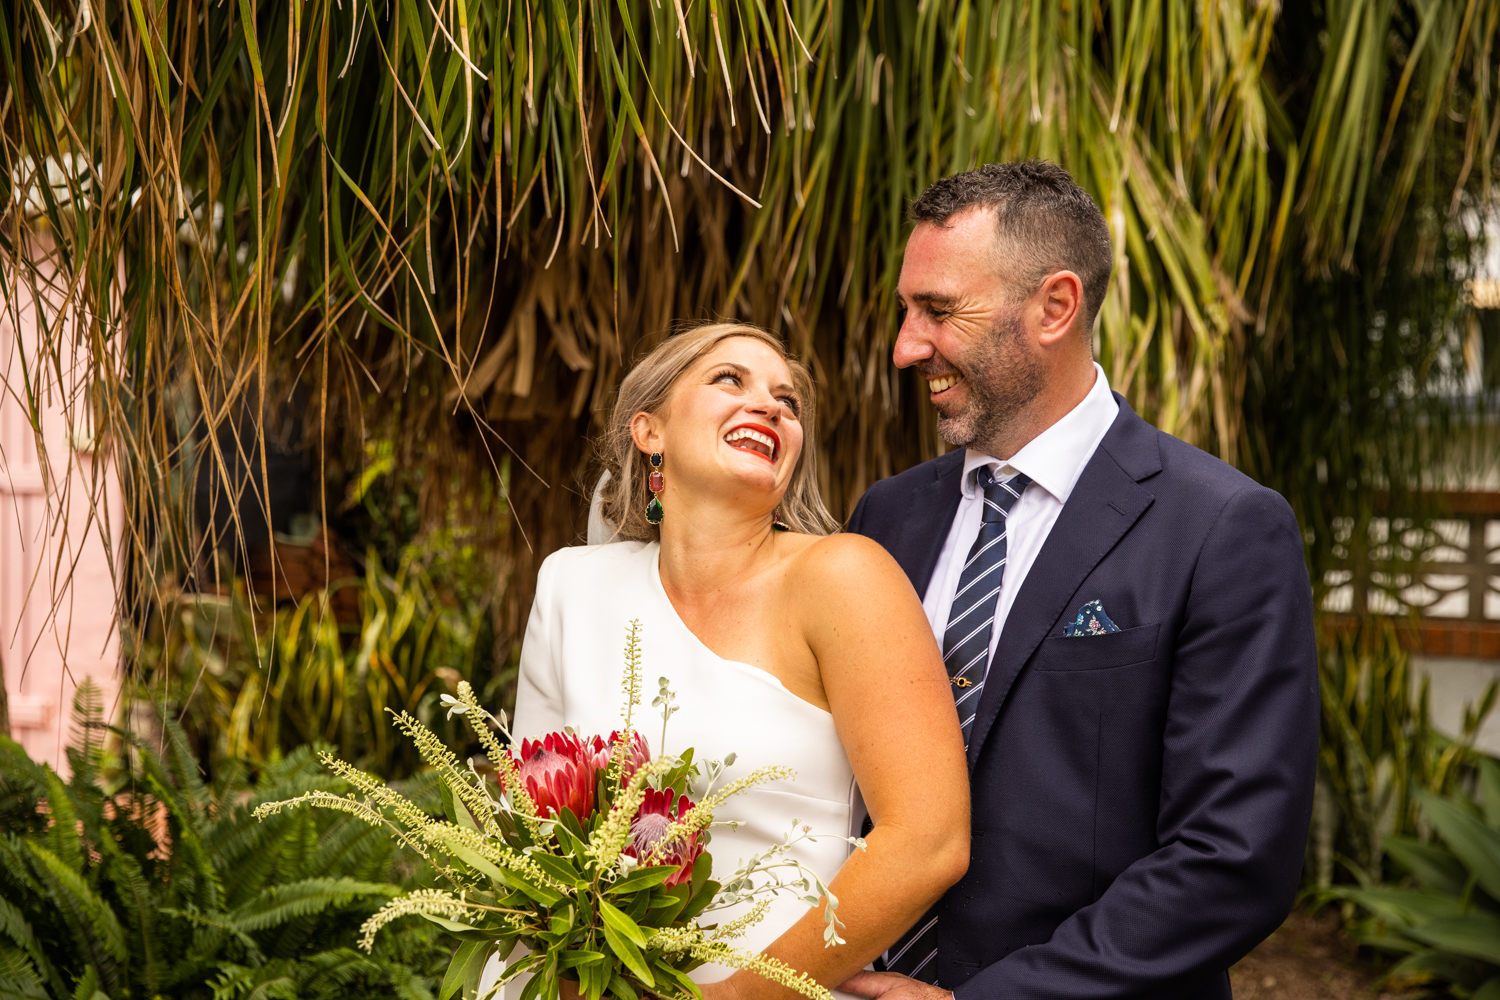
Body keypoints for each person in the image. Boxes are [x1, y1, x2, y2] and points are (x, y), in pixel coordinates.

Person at [840, 162, 1319, 1000]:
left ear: (1055, 307)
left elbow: (1232, 857)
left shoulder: (1221, 527)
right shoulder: (887, 516)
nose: (905, 346)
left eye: (939, 311)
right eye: (907, 311)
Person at [510, 323, 972, 1000]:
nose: (772, 406)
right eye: (730, 379)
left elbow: (928, 842)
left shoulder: (843, 576)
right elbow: (529, 833)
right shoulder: (571, 585)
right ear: (649, 431)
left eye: (788, 401)